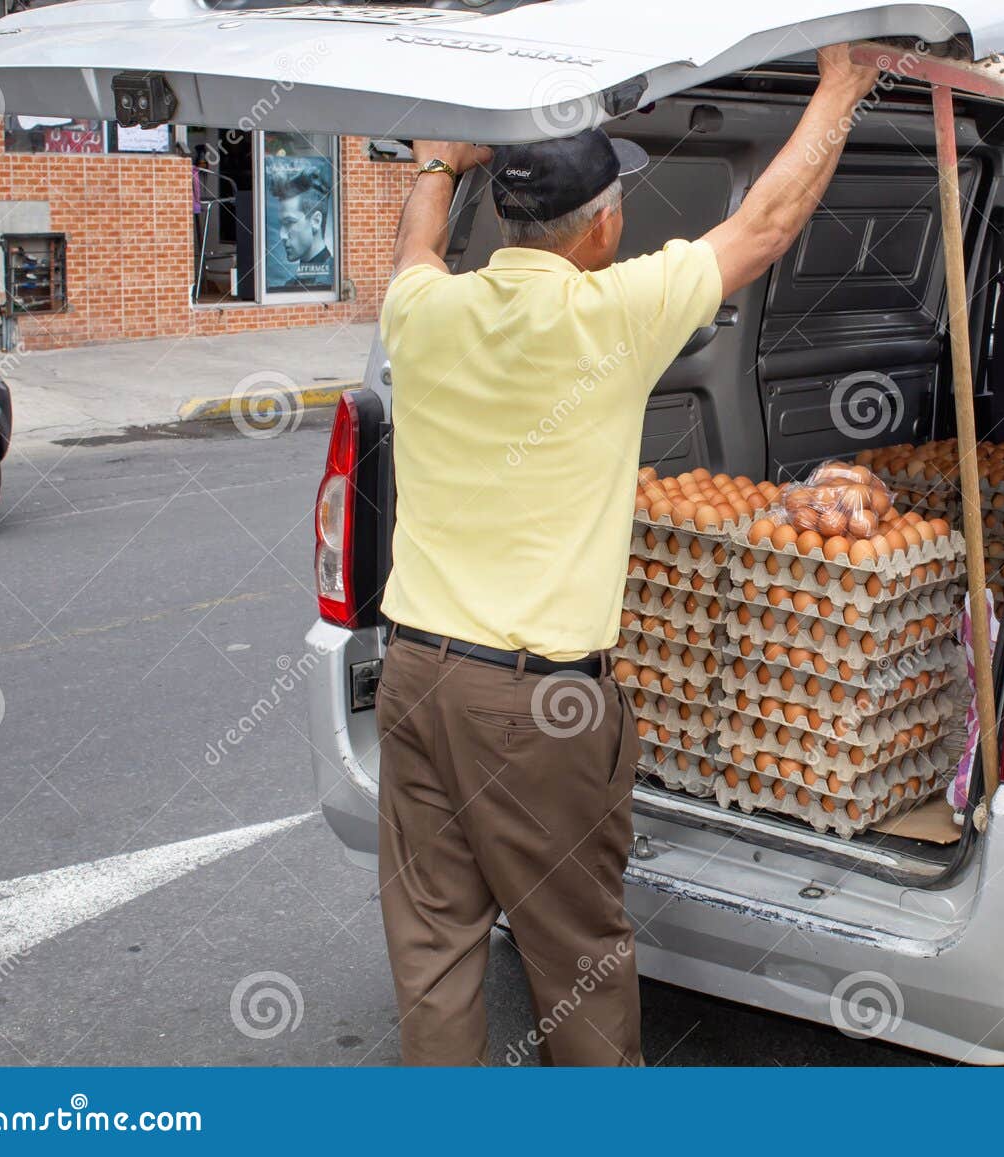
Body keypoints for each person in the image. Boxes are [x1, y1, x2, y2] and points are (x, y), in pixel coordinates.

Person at [373, 44, 881, 1066]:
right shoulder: (607, 317)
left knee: (433, 952)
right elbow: (768, 225)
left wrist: (437, 161)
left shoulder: (420, 313)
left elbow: (417, 247)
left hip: (415, 678)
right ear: (603, 226)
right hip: (535, 706)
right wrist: (843, 84)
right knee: (579, 960)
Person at [269, 167, 333, 284]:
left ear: (316, 221)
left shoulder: (332, 280)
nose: (282, 235)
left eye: (289, 223)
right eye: (282, 224)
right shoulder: (291, 285)